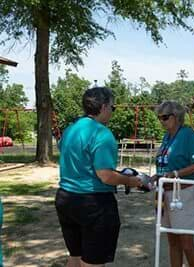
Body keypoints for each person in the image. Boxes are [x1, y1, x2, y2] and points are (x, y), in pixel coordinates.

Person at [55, 87, 141, 267]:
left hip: (66, 198)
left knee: (75, 256)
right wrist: (131, 181)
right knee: (92, 262)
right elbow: (106, 176)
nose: (112, 111)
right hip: (93, 203)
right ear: (103, 107)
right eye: (113, 107)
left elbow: (67, 153)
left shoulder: (70, 129)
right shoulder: (102, 133)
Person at [154, 101, 194, 267]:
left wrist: (176, 174)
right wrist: (157, 176)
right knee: (173, 243)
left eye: (165, 117)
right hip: (165, 194)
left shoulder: (188, 135)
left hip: (183, 194)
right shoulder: (166, 136)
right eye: (159, 117)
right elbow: (166, 163)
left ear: (176, 117)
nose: (161, 120)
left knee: (187, 245)